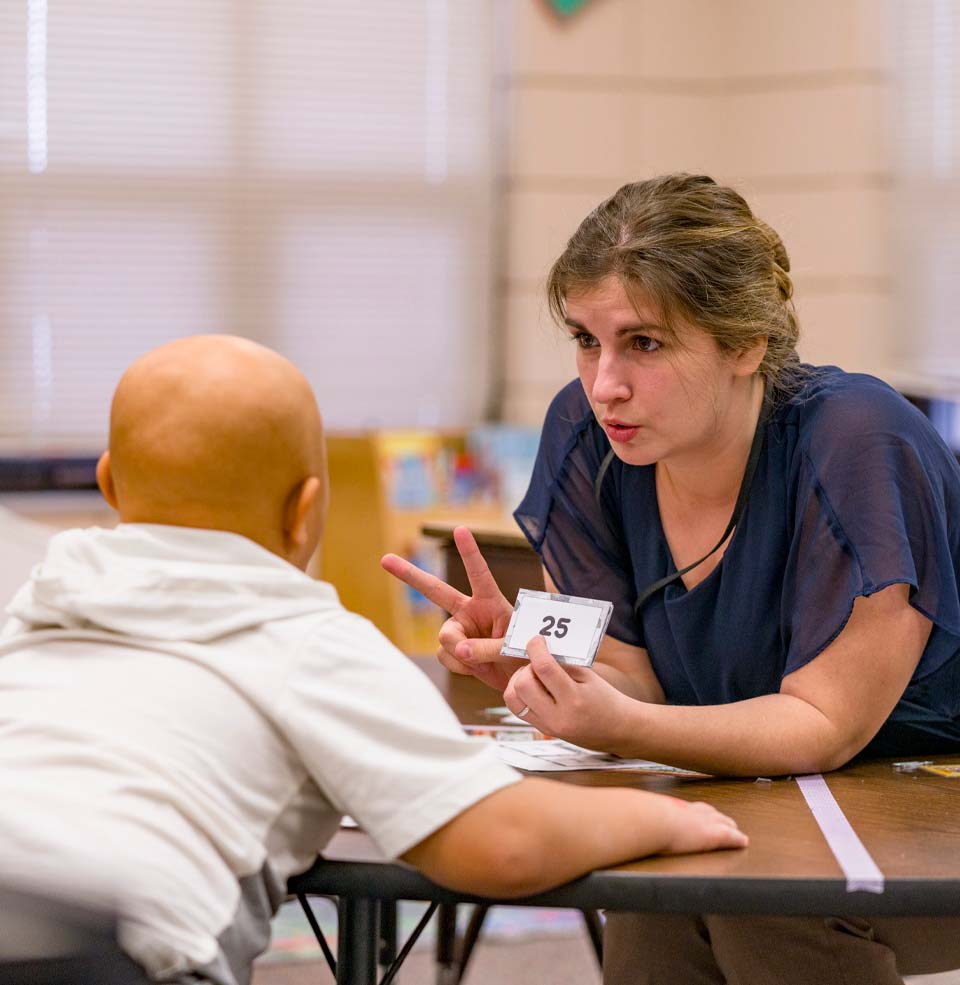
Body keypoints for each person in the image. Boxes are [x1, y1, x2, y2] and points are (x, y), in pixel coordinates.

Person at [0, 334, 746, 985]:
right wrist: (664, 819)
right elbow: (499, 840)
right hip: (110, 955)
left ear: (107, 485)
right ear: (305, 510)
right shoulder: (307, 640)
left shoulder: (32, 607)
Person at [382, 174, 960, 984]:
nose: (604, 382)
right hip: (781, 794)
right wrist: (536, 663)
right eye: (587, 339)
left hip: (920, 793)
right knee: (657, 905)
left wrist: (617, 724)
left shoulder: (859, 440)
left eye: (644, 344)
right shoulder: (588, 436)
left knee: (763, 905)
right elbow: (632, 678)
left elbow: (823, 725)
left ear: (745, 345)